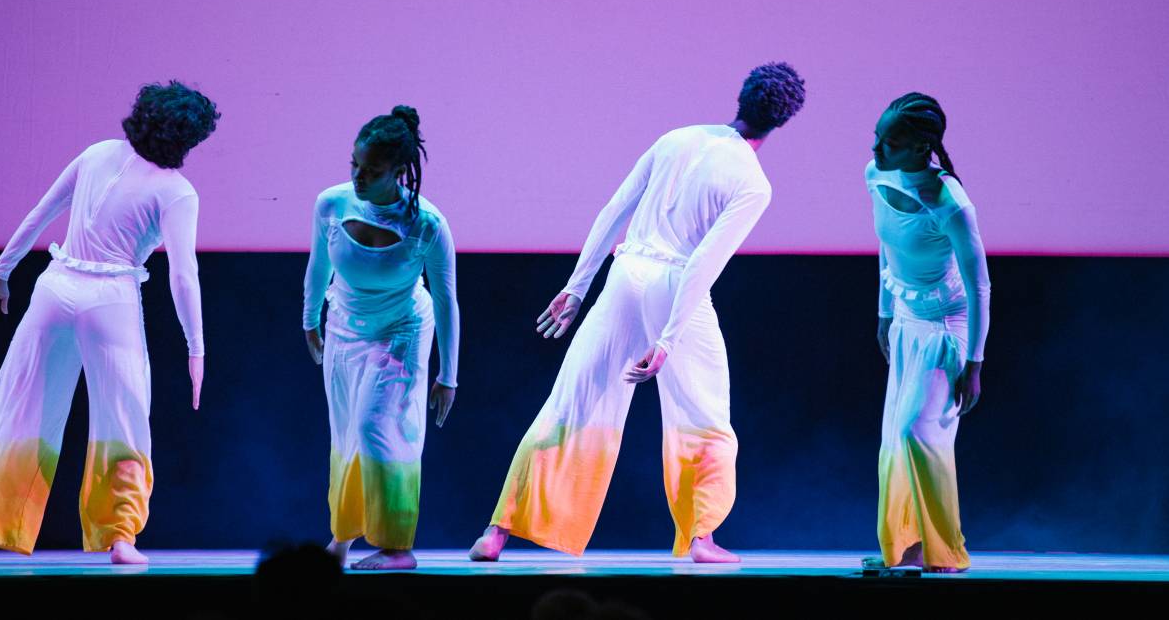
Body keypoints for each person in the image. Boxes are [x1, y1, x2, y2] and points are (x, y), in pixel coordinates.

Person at [470, 63, 806, 563]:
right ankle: (701, 539)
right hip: (674, 287)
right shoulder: (754, 183)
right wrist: (669, 337)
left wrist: (576, 286)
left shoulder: (676, 138)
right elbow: (703, 264)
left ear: (740, 97)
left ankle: (497, 531)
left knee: (572, 399)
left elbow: (614, 210)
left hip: (624, 277)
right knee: (704, 414)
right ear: (782, 122)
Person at [0, 81, 219, 566]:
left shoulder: (97, 153)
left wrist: (1, 272)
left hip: (54, 289)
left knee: (10, 406)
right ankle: (121, 537)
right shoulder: (176, 190)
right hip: (111, 299)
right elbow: (184, 276)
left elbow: (40, 214)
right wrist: (196, 346)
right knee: (122, 419)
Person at [303, 106, 459, 570]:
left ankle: (397, 547)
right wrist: (309, 319)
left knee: (378, 428)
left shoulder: (427, 223)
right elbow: (318, 267)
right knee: (347, 433)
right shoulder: (331, 204)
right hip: (344, 326)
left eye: (371, 171)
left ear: (397, 172)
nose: (358, 177)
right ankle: (342, 537)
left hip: (402, 331)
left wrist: (448, 375)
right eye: (354, 164)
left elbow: (447, 299)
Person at [865, 92, 990, 573]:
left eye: (890, 144)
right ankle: (907, 546)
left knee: (920, 433)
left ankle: (947, 553)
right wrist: (884, 313)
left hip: (947, 327)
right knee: (894, 438)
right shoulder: (875, 174)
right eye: (877, 139)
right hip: (905, 320)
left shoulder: (950, 202)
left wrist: (974, 363)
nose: (878, 152)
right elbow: (885, 244)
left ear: (921, 149)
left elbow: (979, 285)